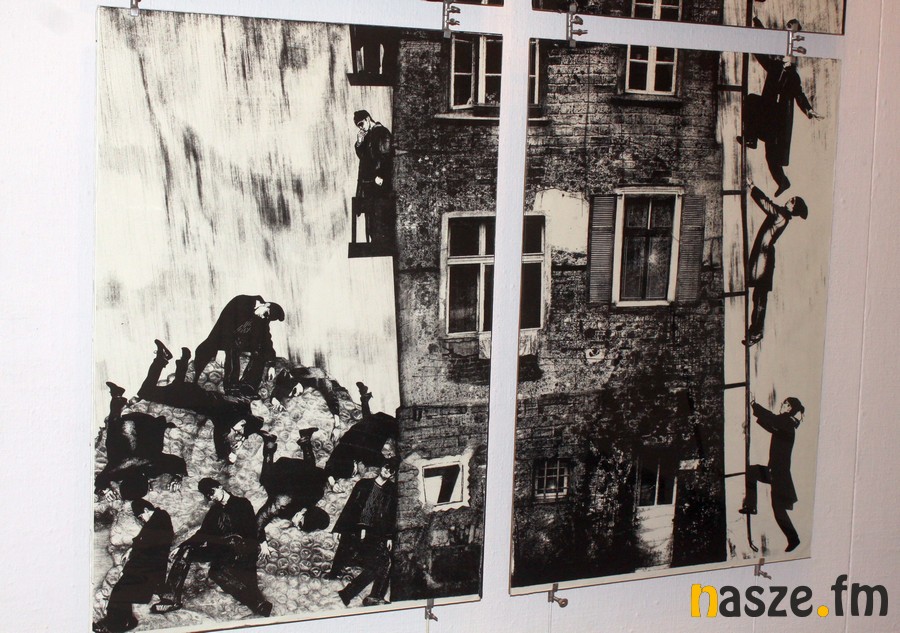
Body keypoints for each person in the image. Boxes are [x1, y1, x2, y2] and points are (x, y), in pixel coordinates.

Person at [151, 478, 273, 617]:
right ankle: (171, 600)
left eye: (212, 492)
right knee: (186, 551)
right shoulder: (214, 511)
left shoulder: (242, 503)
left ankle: (258, 603)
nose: (211, 497)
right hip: (220, 549)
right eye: (208, 495)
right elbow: (202, 534)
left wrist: (263, 543)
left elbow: (254, 525)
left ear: (220, 487)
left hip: (240, 548)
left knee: (216, 572)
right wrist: (182, 546)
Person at [138, 340, 269, 463]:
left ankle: (180, 359)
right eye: (239, 431)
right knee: (145, 392)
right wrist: (230, 454)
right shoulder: (225, 420)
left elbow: (255, 422)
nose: (236, 434)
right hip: (187, 397)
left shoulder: (242, 406)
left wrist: (242, 437)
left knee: (175, 386)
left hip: (194, 392)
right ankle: (164, 359)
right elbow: (221, 439)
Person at [738, 17, 822, 197]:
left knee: (771, 156)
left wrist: (809, 110)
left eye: (789, 57)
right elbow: (761, 56)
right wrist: (755, 29)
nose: (785, 58)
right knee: (751, 100)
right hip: (768, 111)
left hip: (778, 121)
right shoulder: (775, 67)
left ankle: (783, 181)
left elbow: (799, 94)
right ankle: (751, 139)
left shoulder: (793, 76)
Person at [95, 373, 187, 499]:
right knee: (113, 446)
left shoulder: (154, 466)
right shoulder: (117, 469)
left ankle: (117, 398)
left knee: (116, 446)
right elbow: (100, 480)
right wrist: (104, 490)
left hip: (146, 423)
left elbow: (179, 464)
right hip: (136, 423)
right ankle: (117, 397)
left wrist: (178, 478)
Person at [743, 177, 808, 346]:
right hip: (764, 259)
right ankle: (755, 331)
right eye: (792, 198)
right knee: (759, 297)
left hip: (764, 261)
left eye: (792, 201)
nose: (789, 199)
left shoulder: (781, 215)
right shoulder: (783, 215)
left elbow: (766, 203)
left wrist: (752, 186)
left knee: (760, 298)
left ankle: (756, 332)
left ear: (793, 208)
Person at [94, 500, 174, 633]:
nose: (141, 520)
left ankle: (114, 626)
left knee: (121, 592)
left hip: (149, 570)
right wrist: (131, 550)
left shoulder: (160, 520)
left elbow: (147, 546)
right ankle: (125, 621)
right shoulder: (156, 520)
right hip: (145, 567)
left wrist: (129, 566)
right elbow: (141, 540)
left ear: (146, 510)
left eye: (141, 517)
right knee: (121, 590)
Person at [739, 397, 804, 552]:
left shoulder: (786, 421)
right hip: (776, 472)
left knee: (778, 509)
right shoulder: (787, 423)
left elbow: (772, 420)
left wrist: (754, 405)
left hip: (778, 474)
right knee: (753, 473)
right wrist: (756, 417)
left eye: (785, 403)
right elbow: (771, 426)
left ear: (789, 408)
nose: (782, 405)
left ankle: (793, 538)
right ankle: (751, 506)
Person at [255, 430, 331, 559]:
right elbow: (259, 521)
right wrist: (263, 544)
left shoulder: (317, 494)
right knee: (265, 479)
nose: (298, 528)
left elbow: (317, 473)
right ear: (303, 512)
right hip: (283, 467)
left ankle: (305, 439)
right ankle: (269, 444)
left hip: (300, 469)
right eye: (300, 524)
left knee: (310, 472)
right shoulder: (282, 503)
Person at [334, 458, 399, 607]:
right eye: (386, 467)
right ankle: (370, 596)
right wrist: (339, 528)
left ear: (393, 474)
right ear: (382, 466)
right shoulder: (364, 484)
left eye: (391, 470)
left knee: (381, 563)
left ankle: (350, 594)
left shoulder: (391, 490)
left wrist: (389, 537)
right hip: (358, 531)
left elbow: (391, 515)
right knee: (382, 563)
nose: (387, 471)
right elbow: (350, 506)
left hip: (377, 533)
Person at [192, 295, 285, 392]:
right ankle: (231, 387)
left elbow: (266, 340)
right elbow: (224, 326)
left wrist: (272, 364)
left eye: (267, 318)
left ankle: (248, 388)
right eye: (266, 314)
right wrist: (221, 349)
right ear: (266, 304)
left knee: (260, 349)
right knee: (209, 351)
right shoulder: (241, 301)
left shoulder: (262, 319)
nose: (263, 317)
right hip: (221, 339)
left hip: (241, 343)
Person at [324, 382, 398, 488]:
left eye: (355, 469)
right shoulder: (365, 457)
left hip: (365, 431)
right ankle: (364, 398)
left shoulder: (344, 450)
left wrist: (331, 481)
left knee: (376, 421)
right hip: (370, 432)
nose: (359, 470)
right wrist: (333, 482)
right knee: (374, 421)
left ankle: (364, 398)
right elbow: (383, 461)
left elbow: (329, 466)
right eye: (356, 472)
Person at [353, 110, 394, 245]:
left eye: (361, 124)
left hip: (379, 183)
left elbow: (386, 156)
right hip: (369, 185)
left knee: (379, 217)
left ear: (368, 119)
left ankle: (381, 244)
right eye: (358, 126)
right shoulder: (368, 136)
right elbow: (364, 158)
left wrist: (380, 176)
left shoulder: (382, 132)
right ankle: (376, 243)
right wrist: (359, 142)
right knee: (371, 220)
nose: (360, 128)